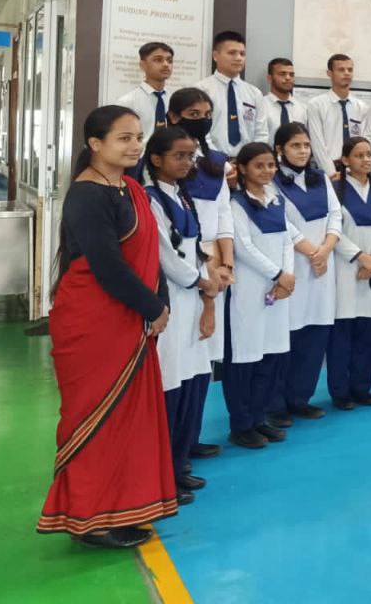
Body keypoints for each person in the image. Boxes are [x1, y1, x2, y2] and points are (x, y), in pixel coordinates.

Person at [37, 106, 176, 548]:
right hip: (94, 322)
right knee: (95, 419)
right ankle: (89, 519)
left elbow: (152, 252)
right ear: (95, 144)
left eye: (138, 137)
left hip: (129, 316)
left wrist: (160, 301)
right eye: (124, 139)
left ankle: (121, 508)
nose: (135, 145)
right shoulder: (87, 195)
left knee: (127, 419)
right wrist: (152, 308)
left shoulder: (130, 187)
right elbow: (107, 266)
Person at [143, 126, 220, 506]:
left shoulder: (184, 196)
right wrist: (201, 284)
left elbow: (196, 247)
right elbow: (164, 255)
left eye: (191, 156)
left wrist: (208, 287)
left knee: (194, 378)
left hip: (195, 295)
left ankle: (180, 461)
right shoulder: (150, 198)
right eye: (179, 156)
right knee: (171, 383)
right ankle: (163, 475)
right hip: (173, 298)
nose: (188, 162)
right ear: (156, 159)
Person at [166, 87, 235, 459]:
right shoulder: (161, 163)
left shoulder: (216, 162)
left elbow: (223, 216)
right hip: (185, 268)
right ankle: (173, 444)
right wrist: (207, 265)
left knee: (204, 355)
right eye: (193, 112)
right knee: (180, 357)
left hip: (215, 269)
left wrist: (226, 263)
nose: (202, 118)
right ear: (174, 116)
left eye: (207, 112)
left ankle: (191, 437)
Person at [225, 143, 297, 449]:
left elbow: (287, 240)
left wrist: (288, 276)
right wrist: (278, 274)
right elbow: (243, 248)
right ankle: (241, 425)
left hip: (278, 291)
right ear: (242, 168)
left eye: (271, 165)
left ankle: (258, 418)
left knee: (272, 355)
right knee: (246, 358)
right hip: (249, 290)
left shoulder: (276, 198)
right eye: (259, 166)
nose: (267, 171)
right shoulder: (236, 204)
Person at [273, 122, 341, 417]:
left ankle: (301, 398)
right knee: (288, 334)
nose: (302, 151)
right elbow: (280, 222)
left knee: (315, 333)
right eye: (295, 146)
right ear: (280, 150)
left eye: (305, 145)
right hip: (294, 264)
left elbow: (336, 214)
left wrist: (326, 249)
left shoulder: (319, 178)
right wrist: (312, 251)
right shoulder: (271, 179)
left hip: (323, 266)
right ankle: (275, 404)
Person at [327, 137, 371, 407]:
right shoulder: (334, 190)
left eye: (369, 155)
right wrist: (360, 257)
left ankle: (362, 387)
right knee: (343, 334)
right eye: (359, 155)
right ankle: (340, 391)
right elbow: (332, 230)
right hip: (346, 267)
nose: (366, 160)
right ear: (345, 160)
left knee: (370, 331)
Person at [197, 31, 268, 157]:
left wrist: (249, 162)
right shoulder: (201, 90)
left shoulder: (254, 93)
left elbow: (261, 134)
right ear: (215, 55)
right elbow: (200, 133)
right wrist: (221, 163)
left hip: (247, 166)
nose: (238, 58)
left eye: (242, 54)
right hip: (210, 162)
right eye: (232, 53)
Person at [306, 54, 368, 175]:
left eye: (350, 70)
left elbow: (365, 141)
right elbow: (317, 143)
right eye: (341, 69)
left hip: (356, 169)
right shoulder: (316, 105)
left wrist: (357, 170)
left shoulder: (362, 107)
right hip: (330, 169)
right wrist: (331, 173)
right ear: (329, 73)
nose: (346, 73)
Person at [116, 41, 175, 137]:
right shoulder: (127, 102)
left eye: (169, 60)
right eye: (158, 60)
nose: (166, 64)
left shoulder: (173, 100)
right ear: (142, 65)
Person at [262, 58, 308, 137]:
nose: (288, 78)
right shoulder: (260, 105)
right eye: (282, 74)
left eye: (291, 75)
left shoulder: (302, 108)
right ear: (269, 78)